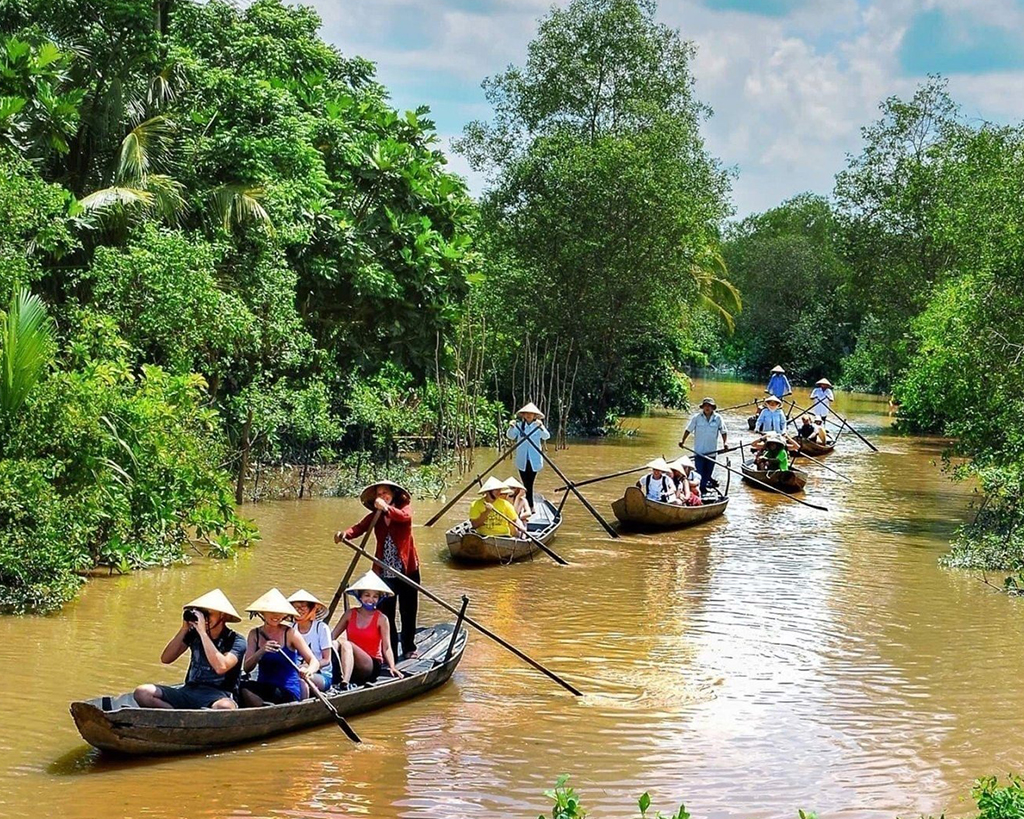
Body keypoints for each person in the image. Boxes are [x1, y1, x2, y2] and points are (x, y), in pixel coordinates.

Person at [336, 480, 421, 660]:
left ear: (393, 494)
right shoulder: (376, 515)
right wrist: (345, 534)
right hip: (384, 571)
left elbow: (405, 517)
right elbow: (359, 528)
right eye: (379, 494)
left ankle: (409, 647)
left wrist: (386, 508)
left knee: (408, 611)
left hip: (407, 570)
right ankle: (389, 652)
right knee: (386, 613)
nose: (382, 497)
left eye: (385, 493)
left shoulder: (402, 508)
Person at [133, 589, 247, 710]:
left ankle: (192, 718)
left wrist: (203, 633)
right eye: (201, 614)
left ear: (222, 615)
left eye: (208, 614)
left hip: (219, 695)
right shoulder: (193, 635)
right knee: (142, 692)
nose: (205, 619)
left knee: (224, 707)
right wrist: (184, 629)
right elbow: (166, 659)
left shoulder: (236, 640)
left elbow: (221, 667)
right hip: (190, 690)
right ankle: (177, 717)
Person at [238, 589, 319, 707]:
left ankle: (265, 709)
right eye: (271, 612)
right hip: (264, 689)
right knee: (241, 686)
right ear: (262, 613)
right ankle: (263, 708)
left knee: (268, 694)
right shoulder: (254, 634)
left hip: (287, 691)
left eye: (280, 612)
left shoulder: (290, 633)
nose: (276, 616)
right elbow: (247, 668)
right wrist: (261, 651)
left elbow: (314, 661)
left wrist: (308, 671)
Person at [332, 571, 402, 688]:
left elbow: (387, 647)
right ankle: (329, 675)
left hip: (371, 664)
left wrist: (392, 666)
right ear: (360, 596)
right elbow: (332, 636)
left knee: (347, 644)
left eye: (375, 596)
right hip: (350, 662)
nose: (371, 599)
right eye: (367, 595)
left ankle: (345, 682)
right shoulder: (350, 614)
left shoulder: (381, 619)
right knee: (334, 644)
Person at [506, 401, 551, 511]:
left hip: (534, 459)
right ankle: (526, 504)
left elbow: (546, 436)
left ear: (535, 416)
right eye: (526, 413)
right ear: (523, 415)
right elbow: (511, 436)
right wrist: (511, 427)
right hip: (522, 459)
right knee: (525, 483)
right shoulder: (519, 426)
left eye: (531, 414)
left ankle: (529, 505)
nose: (528, 415)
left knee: (529, 483)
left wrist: (541, 427)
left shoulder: (537, 425)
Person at [679, 396, 728, 494]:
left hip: (712, 452)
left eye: (709, 406)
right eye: (705, 406)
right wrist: (682, 440)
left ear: (712, 407)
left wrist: (725, 443)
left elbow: (723, 431)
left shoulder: (718, 418)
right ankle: (699, 489)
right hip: (699, 452)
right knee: (699, 472)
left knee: (708, 472)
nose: (707, 408)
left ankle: (703, 488)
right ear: (703, 407)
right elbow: (688, 430)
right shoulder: (697, 418)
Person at [288, 589, 333, 694]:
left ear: (312, 609)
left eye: (302, 607)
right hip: (296, 672)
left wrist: (308, 668)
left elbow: (326, 660)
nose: (298, 611)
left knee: (299, 679)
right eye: (295, 608)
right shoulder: (290, 629)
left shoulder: (321, 628)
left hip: (321, 674)